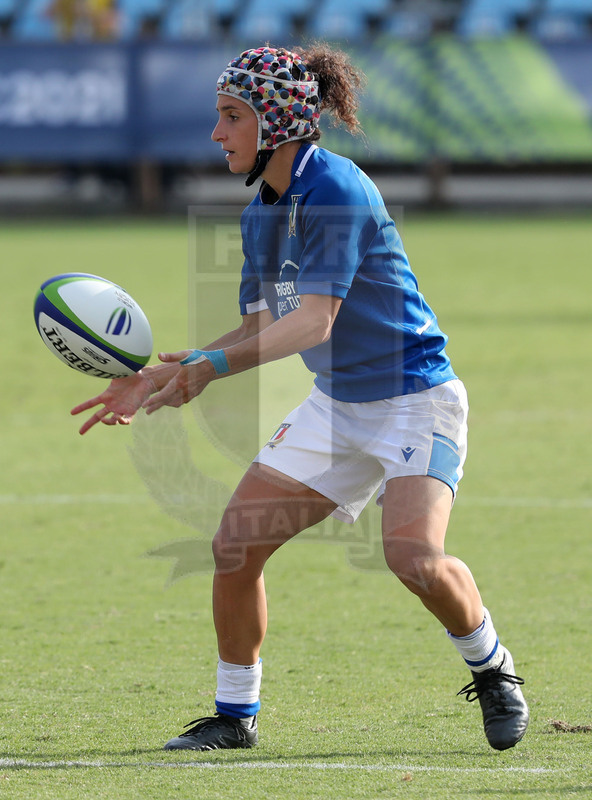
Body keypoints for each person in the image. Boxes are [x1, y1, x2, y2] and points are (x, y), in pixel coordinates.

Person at [71, 44, 529, 752]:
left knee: (413, 559)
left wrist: (211, 368)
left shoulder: (340, 189)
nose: (217, 134)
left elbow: (315, 321)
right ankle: (235, 715)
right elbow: (262, 323)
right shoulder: (261, 215)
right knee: (234, 547)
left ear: (276, 123)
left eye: (230, 117)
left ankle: (492, 667)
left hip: (417, 398)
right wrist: (168, 372)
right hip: (338, 404)